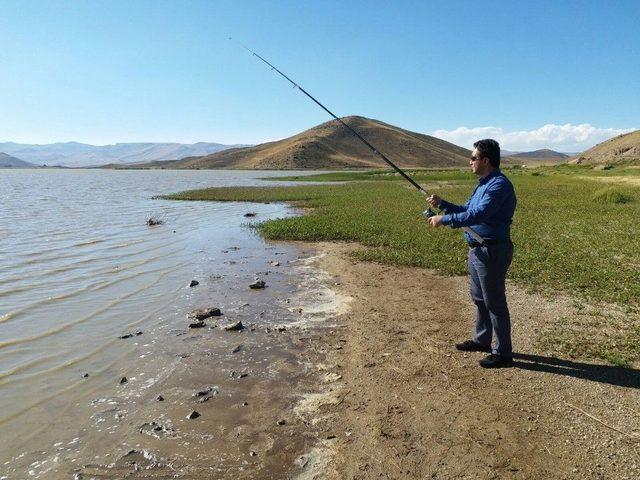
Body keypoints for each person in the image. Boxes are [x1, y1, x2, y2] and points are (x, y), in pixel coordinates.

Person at [426, 139, 517, 368]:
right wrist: (443, 204)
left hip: (492, 250)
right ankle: (482, 340)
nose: (470, 162)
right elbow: (468, 210)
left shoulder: (499, 185)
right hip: (477, 250)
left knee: (495, 302)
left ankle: (503, 353)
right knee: (479, 299)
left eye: (473, 158)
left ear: (485, 160)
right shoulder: (482, 184)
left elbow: (480, 214)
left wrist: (444, 219)